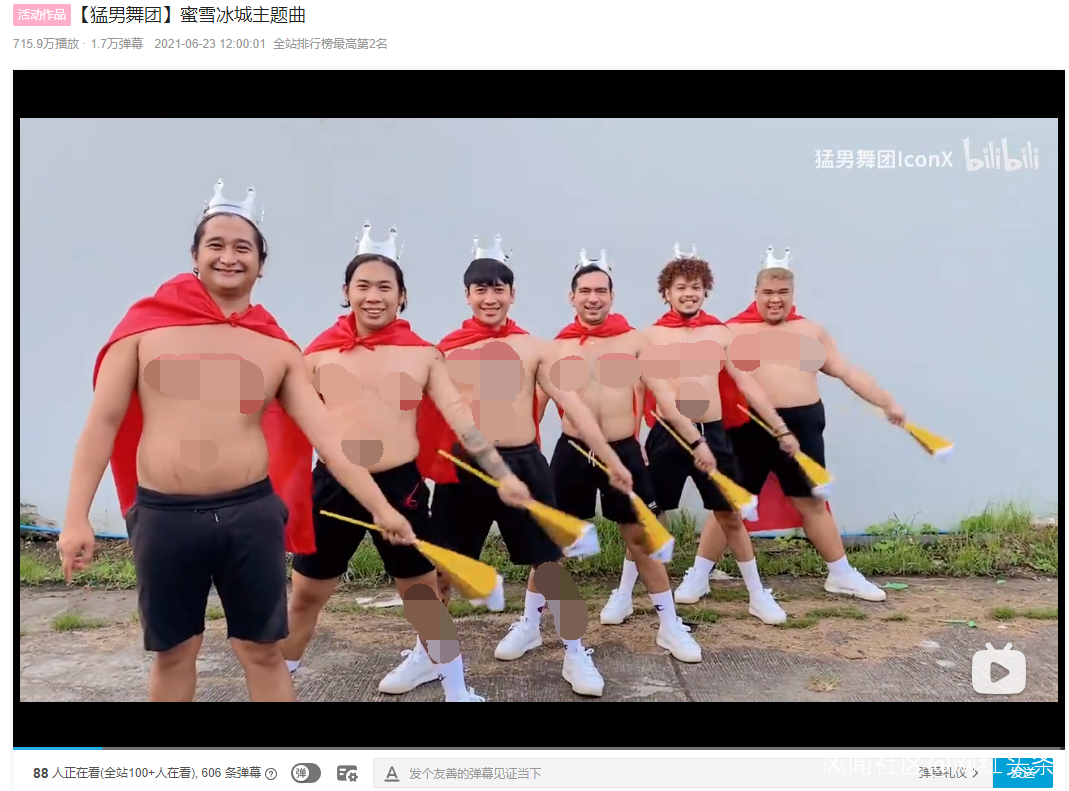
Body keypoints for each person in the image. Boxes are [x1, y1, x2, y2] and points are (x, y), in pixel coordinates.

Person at [59, 180, 415, 703]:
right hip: (165, 517)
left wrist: (382, 509)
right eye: (216, 245)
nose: (229, 257)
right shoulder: (141, 333)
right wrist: (76, 517)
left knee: (263, 651)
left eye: (243, 247)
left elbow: (329, 439)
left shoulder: (276, 347)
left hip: (250, 516)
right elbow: (101, 426)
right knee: (174, 653)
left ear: (261, 264)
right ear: (195, 257)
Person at [279, 223, 531, 703]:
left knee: (423, 599)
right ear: (346, 291)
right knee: (306, 596)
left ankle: (457, 690)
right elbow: (285, 422)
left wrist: (503, 474)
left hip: (401, 489)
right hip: (333, 488)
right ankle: (277, 686)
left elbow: (461, 420)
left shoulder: (423, 355)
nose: (374, 297)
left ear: (403, 296)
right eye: (363, 286)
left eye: (385, 287)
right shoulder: (316, 355)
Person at [417, 235, 634, 698]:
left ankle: (575, 652)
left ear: (512, 294)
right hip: (464, 470)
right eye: (481, 289)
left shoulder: (534, 348)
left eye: (498, 289)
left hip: (523, 466)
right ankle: (426, 654)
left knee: (550, 566)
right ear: (467, 295)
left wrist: (612, 456)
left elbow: (572, 405)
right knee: (443, 570)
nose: (490, 298)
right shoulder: (445, 350)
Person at [616, 245, 798, 625]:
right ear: (666, 293)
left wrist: (778, 426)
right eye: (681, 287)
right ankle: (623, 596)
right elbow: (636, 390)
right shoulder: (649, 336)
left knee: (730, 515)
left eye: (696, 287)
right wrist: (632, 439)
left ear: (705, 290)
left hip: (712, 436)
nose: (689, 293)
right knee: (649, 516)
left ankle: (757, 596)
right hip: (665, 436)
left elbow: (746, 383)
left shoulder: (720, 333)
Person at [546, 250, 712, 663]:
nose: (593, 298)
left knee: (641, 538)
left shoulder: (634, 342)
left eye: (601, 291)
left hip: (623, 451)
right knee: (554, 544)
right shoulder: (557, 346)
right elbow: (534, 402)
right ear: (571, 296)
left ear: (612, 295)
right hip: (572, 451)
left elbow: (664, 398)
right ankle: (531, 625)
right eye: (585, 291)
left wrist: (696, 441)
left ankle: (670, 626)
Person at [722, 246, 902, 602]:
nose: (775, 299)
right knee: (729, 504)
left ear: (793, 294)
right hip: (750, 426)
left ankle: (841, 575)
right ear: (755, 293)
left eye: (783, 292)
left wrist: (886, 402)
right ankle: (698, 576)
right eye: (768, 292)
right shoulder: (733, 332)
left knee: (810, 501)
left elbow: (847, 371)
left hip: (803, 425)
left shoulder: (809, 331)